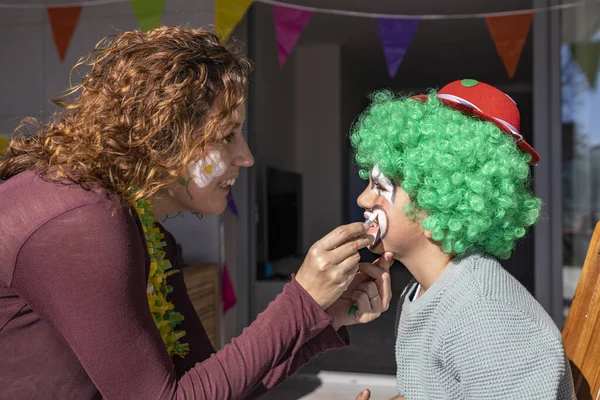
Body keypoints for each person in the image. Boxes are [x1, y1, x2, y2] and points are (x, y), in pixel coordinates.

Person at [0, 27, 394, 399]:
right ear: (161, 138)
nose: (247, 157)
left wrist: (324, 316)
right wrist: (301, 301)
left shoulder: (147, 233)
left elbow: (208, 383)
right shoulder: (79, 221)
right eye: (226, 136)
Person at [349, 79, 576, 399]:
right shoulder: (425, 291)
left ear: (435, 205)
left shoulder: (491, 318)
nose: (362, 199)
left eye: (381, 187)